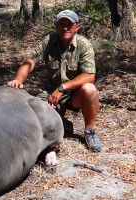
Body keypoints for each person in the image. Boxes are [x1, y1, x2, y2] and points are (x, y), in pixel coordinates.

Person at [7, 9, 101, 152]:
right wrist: (18, 80)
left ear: (76, 27)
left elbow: (89, 75)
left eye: (69, 25)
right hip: (51, 94)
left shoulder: (84, 44)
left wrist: (63, 88)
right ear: (55, 26)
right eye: (61, 24)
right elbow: (30, 62)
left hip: (73, 95)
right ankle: (60, 125)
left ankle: (89, 131)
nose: (65, 28)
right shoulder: (48, 41)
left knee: (90, 89)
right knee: (37, 116)